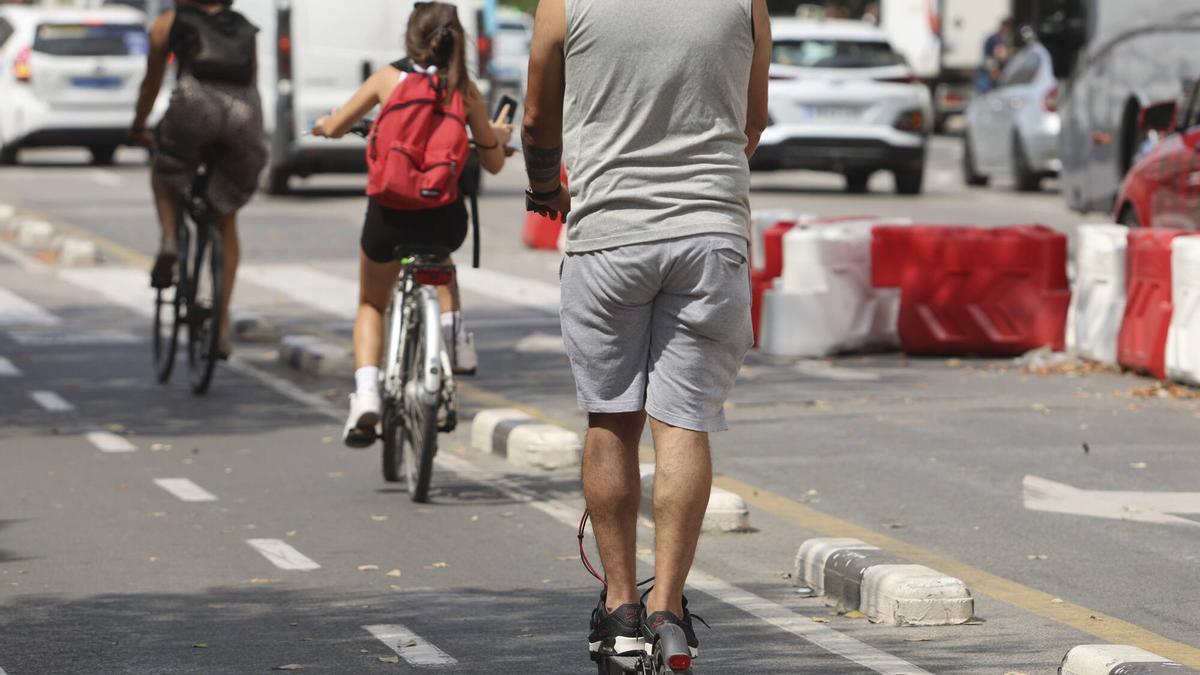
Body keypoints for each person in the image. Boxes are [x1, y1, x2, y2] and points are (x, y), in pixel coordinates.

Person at [522, 0, 770, 662]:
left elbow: (536, 119)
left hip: (608, 236)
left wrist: (546, 185)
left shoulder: (562, 4)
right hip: (711, 235)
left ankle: (621, 609)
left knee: (612, 421)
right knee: (684, 421)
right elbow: (754, 121)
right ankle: (670, 611)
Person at [310, 2, 513, 448]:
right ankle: (456, 343)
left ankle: (366, 395)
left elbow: (339, 123)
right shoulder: (467, 92)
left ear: (411, 39)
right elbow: (494, 165)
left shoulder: (388, 79)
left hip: (389, 217)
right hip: (444, 219)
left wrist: (324, 126)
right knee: (443, 265)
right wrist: (496, 138)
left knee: (370, 302)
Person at [132, 0, 266, 358]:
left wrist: (139, 124)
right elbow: (252, 77)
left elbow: (152, 81)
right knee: (226, 216)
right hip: (244, 113)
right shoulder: (244, 26)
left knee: (165, 168)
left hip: (195, 104)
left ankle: (170, 239)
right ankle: (221, 326)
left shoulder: (167, 23)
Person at [977, 17, 1013, 93]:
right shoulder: (995, 39)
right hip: (989, 72)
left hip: (995, 71)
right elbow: (990, 56)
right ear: (1005, 27)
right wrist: (993, 69)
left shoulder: (1003, 38)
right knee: (986, 94)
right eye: (1008, 28)